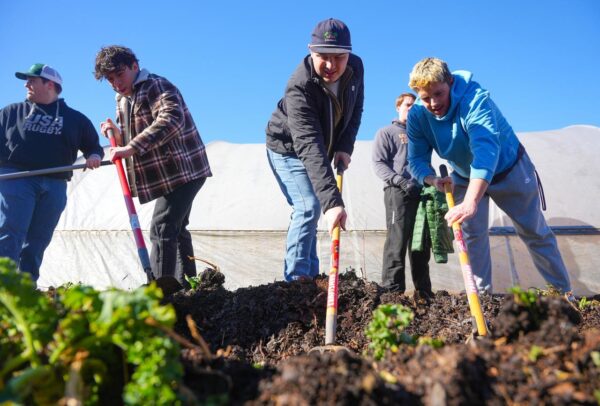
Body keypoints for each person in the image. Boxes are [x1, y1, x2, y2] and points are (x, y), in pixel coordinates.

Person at [406, 57, 572, 297]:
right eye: (425, 98)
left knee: (534, 232)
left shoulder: (474, 100)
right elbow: (416, 160)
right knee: (472, 237)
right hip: (464, 175)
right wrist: (432, 180)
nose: (433, 103)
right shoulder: (417, 116)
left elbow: (486, 152)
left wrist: (471, 202)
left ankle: (564, 295)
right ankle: (481, 298)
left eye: (438, 94)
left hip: (509, 170)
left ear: (450, 82)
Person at [94, 46, 212, 285]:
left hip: (184, 169)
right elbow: (134, 137)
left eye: (120, 74)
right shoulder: (123, 99)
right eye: (110, 79)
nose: (116, 83)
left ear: (134, 66)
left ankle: (160, 290)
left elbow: (171, 120)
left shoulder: (156, 85)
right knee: (176, 228)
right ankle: (189, 287)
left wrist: (131, 147)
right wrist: (117, 134)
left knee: (162, 227)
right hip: (168, 175)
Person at [266, 18, 364, 281]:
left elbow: (356, 109)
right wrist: (333, 203)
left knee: (314, 206)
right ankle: (297, 281)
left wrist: (344, 146)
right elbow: (308, 144)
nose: (331, 65)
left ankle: (311, 279)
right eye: (323, 56)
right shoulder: (300, 86)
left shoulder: (356, 68)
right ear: (311, 51)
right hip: (287, 148)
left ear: (349, 54)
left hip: (320, 147)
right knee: (309, 206)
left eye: (339, 57)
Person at [0, 63, 103, 281]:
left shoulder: (76, 119)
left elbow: (93, 147)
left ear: (50, 85)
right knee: (11, 233)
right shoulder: (11, 112)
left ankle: (26, 288)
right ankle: (4, 288)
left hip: (55, 183)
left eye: (32, 80)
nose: (26, 85)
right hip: (17, 179)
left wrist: (94, 156)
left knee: (38, 240)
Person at [372, 93, 432, 295]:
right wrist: (401, 181)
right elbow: (379, 164)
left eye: (415, 106)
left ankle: (424, 292)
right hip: (398, 192)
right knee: (397, 240)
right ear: (398, 107)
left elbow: (425, 163)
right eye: (408, 105)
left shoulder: (421, 136)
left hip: (421, 192)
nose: (411, 108)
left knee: (420, 243)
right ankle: (393, 292)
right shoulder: (387, 132)